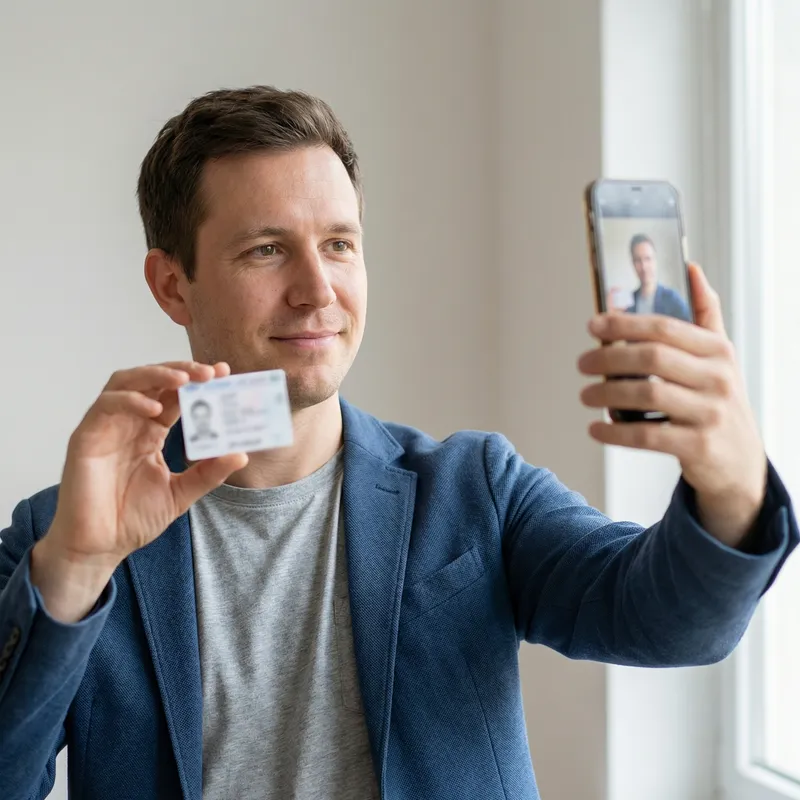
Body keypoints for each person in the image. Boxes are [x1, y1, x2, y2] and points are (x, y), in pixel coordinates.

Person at [0, 86, 796, 800]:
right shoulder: (60, 537)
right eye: (266, 249)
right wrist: (73, 572)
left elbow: (670, 623)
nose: (318, 290)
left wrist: (732, 483)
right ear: (173, 284)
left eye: (339, 243)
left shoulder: (475, 488)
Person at [623, 233, 693, 321]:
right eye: (638, 260)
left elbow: (691, 324)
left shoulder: (672, 298)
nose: (644, 266)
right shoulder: (629, 303)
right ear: (633, 264)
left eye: (647, 258)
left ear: (655, 261)